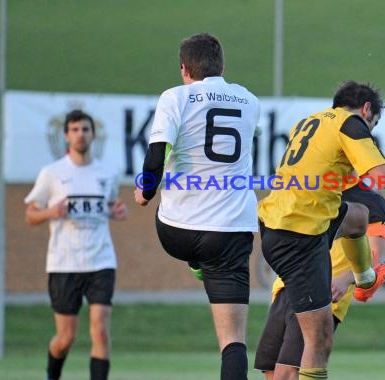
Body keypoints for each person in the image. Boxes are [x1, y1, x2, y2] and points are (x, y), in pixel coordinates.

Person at [257, 80, 385, 379]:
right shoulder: (351, 126)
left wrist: (354, 278)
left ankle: (365, 276)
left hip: (274, 229)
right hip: (300, 240)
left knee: (276, 371)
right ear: (366, 109)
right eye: (371, 127)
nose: (368, 136)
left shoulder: (310, 125)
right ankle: (366, 276)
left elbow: (376, 245)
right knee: (302, 356)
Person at [133, 32, 260, 380]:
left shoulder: (175, 97)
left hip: (176, 231)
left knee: (185, 236)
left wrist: (145, 192)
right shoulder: (249, 100)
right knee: (233, 342)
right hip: (229, 232)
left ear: (185, 69)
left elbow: (156, 155)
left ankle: (197, 264)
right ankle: (205, 266)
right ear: (222, 66)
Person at [255, 186, 385, 380]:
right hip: (286, 285)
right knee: (271, 370)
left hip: (324, 293)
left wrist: (345, 278)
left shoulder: (372, 202)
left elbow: (375, 258)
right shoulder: (315, 189)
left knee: (288, 371)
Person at [24, 109, 128, 380]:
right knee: (65, 337)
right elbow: (31, 215)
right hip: (64, 263)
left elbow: (109, 207)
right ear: (66, 135)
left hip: (101, 261)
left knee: (101, 331)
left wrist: (116, 212)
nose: (80, 134)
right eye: (74, 130)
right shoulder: (52, 173)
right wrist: (50, 212)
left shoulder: (108, 172)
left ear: (93, 134)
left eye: (85, 129)